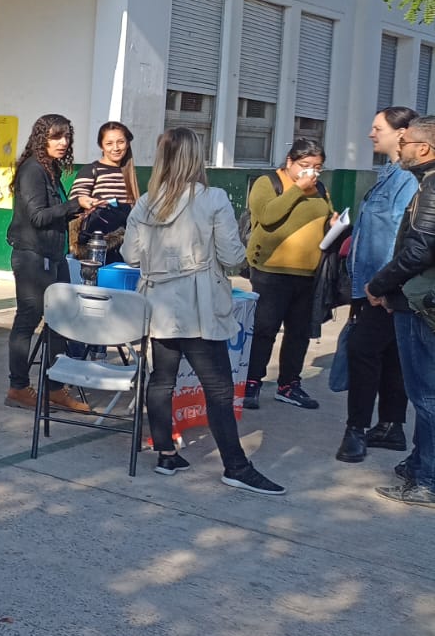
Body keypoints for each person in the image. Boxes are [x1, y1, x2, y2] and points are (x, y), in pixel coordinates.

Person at [122, 128, 286, 494]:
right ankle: (236, 466)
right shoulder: (213, 199)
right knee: (219, 389)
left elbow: (130, 255)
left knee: (162, 379)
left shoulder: (145, 202)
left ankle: (166, 453)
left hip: (158, 302)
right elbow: (232, 255)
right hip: (199, 305)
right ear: (196, 158)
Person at [337, 107, 419, 463]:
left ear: (401, 134)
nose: (371, 134)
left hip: (381, 287)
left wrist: (384, 286)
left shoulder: (408, 180)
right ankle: (390, 426)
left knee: (363, 353)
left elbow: (399, 238)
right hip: (374, 284)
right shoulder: (389, 174)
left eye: (378, 128)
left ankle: (356, 430)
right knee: (389, 355)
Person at [364, 115, 435, 509]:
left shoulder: (431, 186)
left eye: (405, 143)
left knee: (426, 396)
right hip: (419, 299)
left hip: (420, 303)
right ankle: (420, 464)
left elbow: (419, 249)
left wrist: (380, 284)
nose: (399, 148)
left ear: (423, 149)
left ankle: (428, 480)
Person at [5, 113, 95, 413]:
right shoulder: (33, 169)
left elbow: (51, 213)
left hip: (53, 256)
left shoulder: (50, 168)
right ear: (41, 138)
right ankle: (18, 388)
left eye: (67, 136)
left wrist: (77, 210)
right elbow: (38, 216)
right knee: (28, 320)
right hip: (32, 257)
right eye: (56, 136)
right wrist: (73, 205)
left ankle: (55, 388)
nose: (63, 142)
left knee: (61, 321)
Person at [244, 137, 335, 410]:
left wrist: (333, 223)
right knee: (264, 329)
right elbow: (267, 215)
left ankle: (289, 384)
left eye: (317, 167)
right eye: (305, 165)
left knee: (299, 332)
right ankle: (251, 382)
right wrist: (297, 189)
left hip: (309, 274)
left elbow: (324, 214)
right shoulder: (269, 183)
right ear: (289, 162)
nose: (311, 172)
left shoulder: (320, 188)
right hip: (271, 272)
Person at [68, 121, 140, 264]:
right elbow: (74, 207)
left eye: (120, 142)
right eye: (109, 143)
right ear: (101, 146)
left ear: (127, 144)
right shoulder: (91, 170)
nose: (116, 148)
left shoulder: (130, 174)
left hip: (125, 250)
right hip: (97, 248)